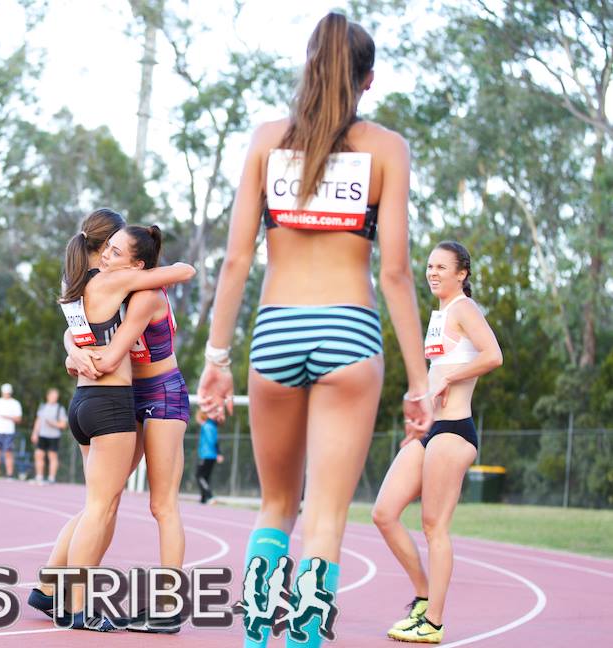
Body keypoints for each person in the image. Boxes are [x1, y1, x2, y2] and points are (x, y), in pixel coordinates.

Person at [196, 12, 433, 647]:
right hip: (349, 334)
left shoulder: (267, 140)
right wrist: (420, 381)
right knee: (325, 516)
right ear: (368, 79)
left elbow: (238, 259)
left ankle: (254, 639)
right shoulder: (387, 148)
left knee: (276, 505)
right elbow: (398, 274)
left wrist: (215, 357)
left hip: (274, 332)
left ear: (309, 68)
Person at [27, 209, 194, 632]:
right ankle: (55, 588)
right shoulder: (109, 285)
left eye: (117, 252)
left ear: (137, 265)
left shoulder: (144, 292)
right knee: (103, 501)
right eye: (109, 248)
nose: (107, 257)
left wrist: (75, 355)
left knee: (161, 504)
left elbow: (112, 349)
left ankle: (168, 605)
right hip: (121, 397)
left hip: (161, 394)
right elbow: (80, 323)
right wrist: (72, 346)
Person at [372, 241, 502, 644]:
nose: (432, 273)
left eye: (441, 267)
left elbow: (494, 354)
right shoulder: (441, 313)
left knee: (434, 527)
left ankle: (433, 622)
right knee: (384, 513)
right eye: (429, 266)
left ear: (461, 273)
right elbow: (436, 369)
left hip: (454, 431)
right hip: (429, 430)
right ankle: (423, 597)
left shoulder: (464, 308)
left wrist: (448, 379)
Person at [32, 387, 67, 484]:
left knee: (52, 456)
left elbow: (63, 424)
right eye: (52, 396)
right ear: (48, 396)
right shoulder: (42, 407)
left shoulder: (60, 408)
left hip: (54, 436)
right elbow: (38, 420)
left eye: (56, 396)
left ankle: (51, 478)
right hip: (42, 435)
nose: (54, 398)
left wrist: (53, 424)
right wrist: (35, 433)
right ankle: (39, 476)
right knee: (39, 455)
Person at [0, 383, 22, 479]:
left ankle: (10, 474)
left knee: (8, 452)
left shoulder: (15, 403)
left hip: (9, 431)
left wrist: (6, 417)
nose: (6, 394)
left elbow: (18, 419)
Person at [195, 408, 224, 504]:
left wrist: (218, 454)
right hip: (212, 456)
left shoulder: (206, 426)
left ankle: (210, 496)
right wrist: (218, 453)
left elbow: (212, 441)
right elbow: (216, 441)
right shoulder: (213, 426)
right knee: (206, 477)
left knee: (199, 476)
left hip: (206, 455)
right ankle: (204, 499)